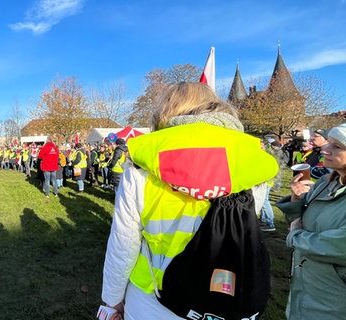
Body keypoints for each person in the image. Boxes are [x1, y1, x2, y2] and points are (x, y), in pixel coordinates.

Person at [100, 82, 278, 320]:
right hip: (223, 294)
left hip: (152, 297)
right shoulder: (254, 159)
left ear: (167, 110)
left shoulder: (144, 162)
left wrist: (111, 301)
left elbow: (123, 244)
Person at [275, 123, 346, 320]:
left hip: (334, 299)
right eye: (328, 144)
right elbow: (299, 220)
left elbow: (339, 246)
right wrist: (297, 201)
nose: (326, 150)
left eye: (337, 146)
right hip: (307, 285)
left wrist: (295, 235)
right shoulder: (326, 182)